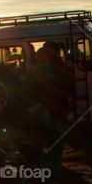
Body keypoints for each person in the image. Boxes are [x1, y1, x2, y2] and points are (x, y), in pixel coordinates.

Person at [24, 41, 74, 174]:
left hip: (42, 109)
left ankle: (36, 170)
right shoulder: (64, 68)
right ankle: (53, 169)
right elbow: (71, 88)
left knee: (38, 142)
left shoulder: (37, 70)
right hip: (59, 110)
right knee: (56, 143)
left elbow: (28, 88)